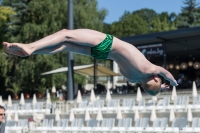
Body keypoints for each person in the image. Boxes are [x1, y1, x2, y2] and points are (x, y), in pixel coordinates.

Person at [2, 29, 178, 96]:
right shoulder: (134, 77)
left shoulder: (150, 68)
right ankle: (31, 52)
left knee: (65, 34)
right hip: (101, 54)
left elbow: (166, 74)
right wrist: (158, 89)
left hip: (108, 43)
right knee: (65, 46)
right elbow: (148, 84)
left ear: (155, 79)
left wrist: (172, 82)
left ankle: (31, 47)